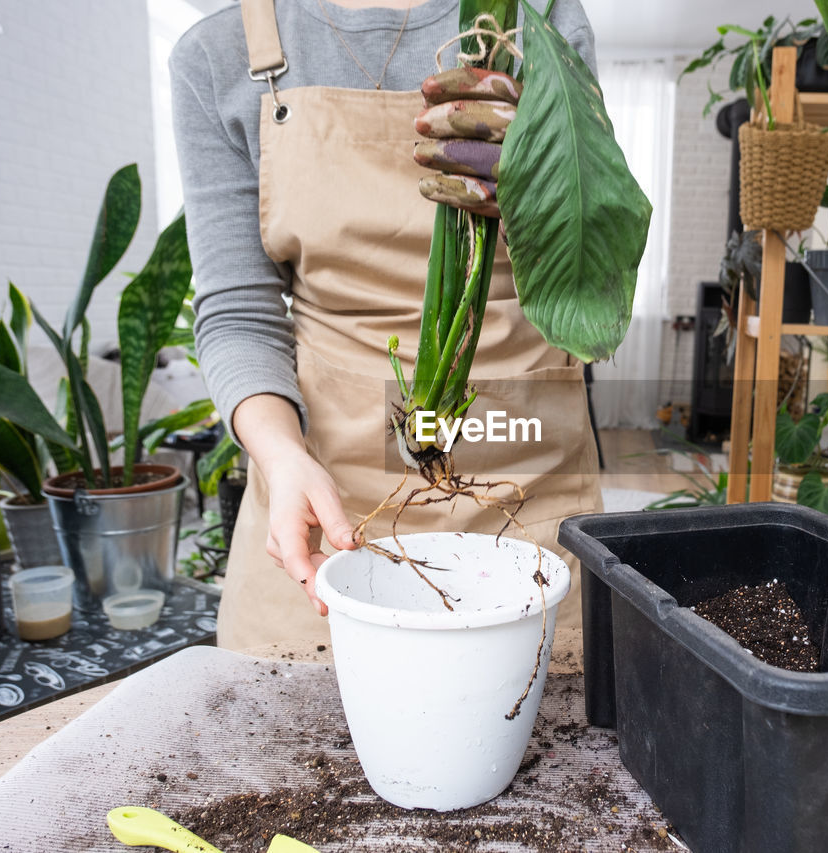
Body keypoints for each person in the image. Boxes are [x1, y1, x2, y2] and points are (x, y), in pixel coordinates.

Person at [170, 0, 602, 650]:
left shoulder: (540, 18)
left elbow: (590, 273)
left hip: (526, 499)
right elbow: (239, 314)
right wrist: (283, 458)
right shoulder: (219, 53)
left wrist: (547, 181)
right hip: (330, 514)